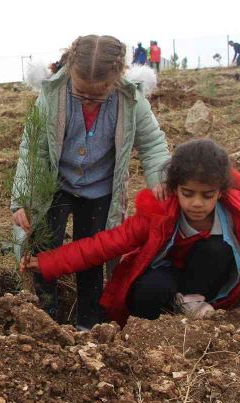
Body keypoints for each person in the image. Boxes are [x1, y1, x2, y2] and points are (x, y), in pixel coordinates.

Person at [20, 139, 240, 324]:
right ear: (174, 188)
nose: (196, 203)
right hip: (166, 277)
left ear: (221, 192)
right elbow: (105, 244)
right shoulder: (159, 215)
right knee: (149, 289)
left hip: (203, 283)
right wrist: (46, 262)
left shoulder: (239, 218)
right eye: (188, 193)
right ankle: (153, 326)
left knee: (216, 249)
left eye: (207, 196)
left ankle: (192, 303)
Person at [11, 34, 171, 330]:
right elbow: (33, 151)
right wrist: (23, 198)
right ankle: (46, 315)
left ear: (116, 79)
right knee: (45, 245)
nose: (88, 100)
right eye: (81, 94)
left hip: (100, 192)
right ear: (70, 73)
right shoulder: (53, 95)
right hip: (55, 186)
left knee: (92, 253)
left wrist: (159, 177)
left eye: (98, 96)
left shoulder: (130, 99)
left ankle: (88, 321)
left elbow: (151, 143)